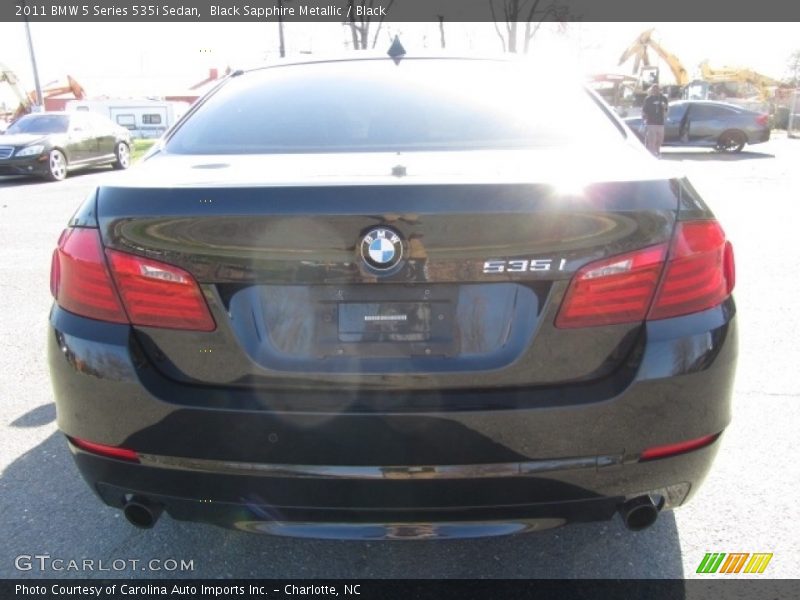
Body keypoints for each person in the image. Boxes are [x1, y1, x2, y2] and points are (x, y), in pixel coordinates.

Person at [642, 84, 669, 157]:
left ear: (659, 90)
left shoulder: (664, 98)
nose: (655, 91)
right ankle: (652, 154)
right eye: (654, 89)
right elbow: (644, 110)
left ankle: (657, 150)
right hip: (651, 122)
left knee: (660, 139)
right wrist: (644, 119)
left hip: (660, 123)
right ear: (651, 90)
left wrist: (664, 107)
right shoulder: (648, 99)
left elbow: (666, 110)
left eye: (657, 89)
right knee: (652, 140)